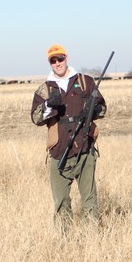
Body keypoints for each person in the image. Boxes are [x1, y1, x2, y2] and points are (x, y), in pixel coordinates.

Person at [31, 44, 107, 234]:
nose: (57, 63)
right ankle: (65, 240)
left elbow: (103, 109)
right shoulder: (44, 90)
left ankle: (92, 239)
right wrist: (48, 105)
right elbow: (35, 118)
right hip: (59, 152)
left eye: (60, 59)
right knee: (61, 202)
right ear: (50, 63)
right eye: (53, 60)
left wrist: (93, 110)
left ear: (67, 58)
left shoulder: (85, 82)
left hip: (84, 149)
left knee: (90, 199)